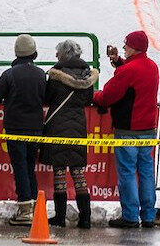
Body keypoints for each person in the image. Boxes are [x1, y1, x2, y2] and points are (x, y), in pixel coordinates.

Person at [0, 34, 48, 224]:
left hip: (16, 128)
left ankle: (25, 209)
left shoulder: (9, 74)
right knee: (30, 167)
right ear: (34, 53)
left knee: (20, 168)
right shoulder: (41, 74)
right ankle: (34, 207)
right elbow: (46, 98)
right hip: (36, 128)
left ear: (17, 53)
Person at [94, 31, 160, 228]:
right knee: (147, 172)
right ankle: (149, 215)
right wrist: (119, 61)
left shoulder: (128, 70)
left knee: (128, 173)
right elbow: (133, 77)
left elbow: (108, 96)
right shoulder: (152, 66)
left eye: (126, 46)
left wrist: (94, 96)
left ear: (133, 47)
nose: (123, 48)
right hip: (148, 128)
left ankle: (131, 215)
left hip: (128, 129)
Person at [42, 39, 97, 229]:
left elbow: (47, 98)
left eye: (58, 52)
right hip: (78, 126)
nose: (56, 55)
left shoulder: (56, 76)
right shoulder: (87, 76)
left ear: (64, 54)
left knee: (59, 172)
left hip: (57, 127)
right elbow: (89, 99)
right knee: (78, 173)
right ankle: (86, 218)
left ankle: (60, 217)